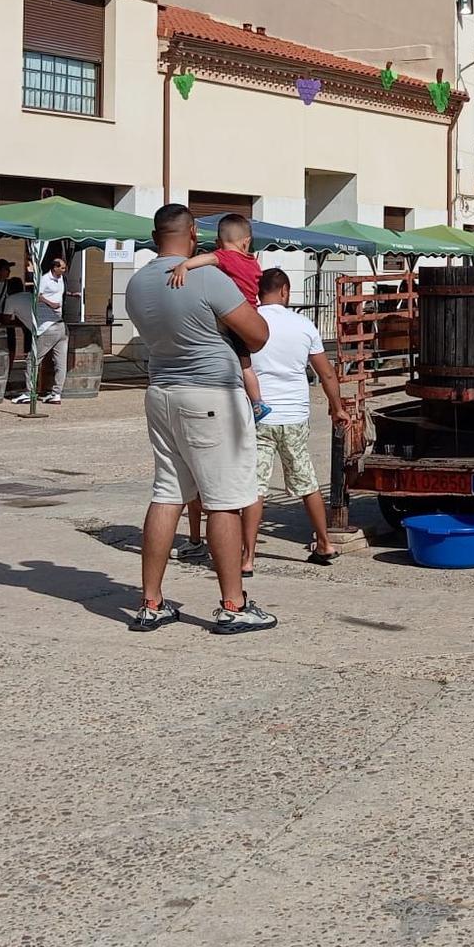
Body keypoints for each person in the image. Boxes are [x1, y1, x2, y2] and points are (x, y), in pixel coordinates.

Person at [123, 203, 273, 634]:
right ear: (193, 233)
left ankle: (151, 602)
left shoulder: (137, 284)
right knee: (223, 499)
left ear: (155, 237)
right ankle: (233, 603)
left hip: (161, 391)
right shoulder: (209, 277)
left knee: (167, 492)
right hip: (211, 394)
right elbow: (258, 335)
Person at [242, 266, 348, 571]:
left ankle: (247, 558)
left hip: (259, 415)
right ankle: (325, 543)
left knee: (256, 486)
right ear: (285, 291)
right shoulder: (304, 325)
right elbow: (325, 372)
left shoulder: (249, 322)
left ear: (260, 292)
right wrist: (337, 407)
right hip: (294, 415)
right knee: (306, 481)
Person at [165, 214, 272, 423]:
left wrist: (185, 266)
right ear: (247, 242)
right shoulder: (253, 263)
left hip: (233, 319)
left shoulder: (225, 257)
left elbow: (209, 259)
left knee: (239, 363)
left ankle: (251, 400)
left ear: (218, 243)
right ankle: (258, 401)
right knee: (246, 364)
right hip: (250, 314)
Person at [19, 253, 70, 405]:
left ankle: (41, 393)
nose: (64, 270)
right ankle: (50, 393)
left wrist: (72, 294)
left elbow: (57, 295)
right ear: (54, 267)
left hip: (55, 326)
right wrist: (50, 303)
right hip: (49, 324)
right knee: (37, 359)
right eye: (62, 268)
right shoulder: (45, 279)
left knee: (42, 360)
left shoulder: (61, 279)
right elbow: (37, 295)